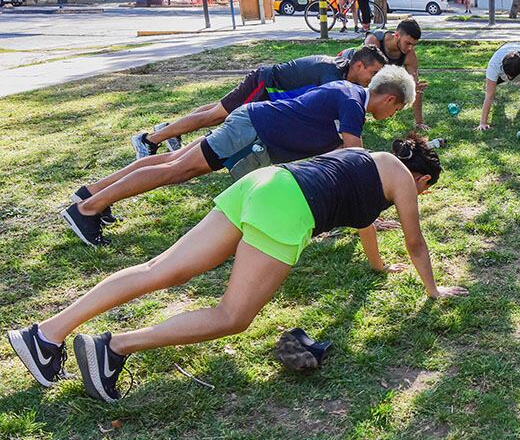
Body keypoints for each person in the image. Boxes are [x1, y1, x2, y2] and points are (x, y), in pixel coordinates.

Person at [10, 135, 467, 403]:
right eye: (424, 190)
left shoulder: (367, 159)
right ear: (422, 179)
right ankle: (113, 348)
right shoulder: (404, 180)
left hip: (263, 183)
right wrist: (432, 291)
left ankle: (46, 334)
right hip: (289, 206)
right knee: (234, 315)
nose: (419, 196)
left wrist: (378, 265)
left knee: (161, 268)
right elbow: (415, 241)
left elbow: (364, 221)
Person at [62, 66, 417, 247]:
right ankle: (87, 210)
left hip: (253, 127)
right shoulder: (353, 104)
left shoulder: (348, 92)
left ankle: (92, 193)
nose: (393, 115)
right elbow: (352, 165)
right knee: (177, 170)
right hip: (252, 132)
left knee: (173, 162)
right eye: (398, 110)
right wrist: (369, 213)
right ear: (389, 100)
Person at [129, 45, 388, 159]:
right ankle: (149, 141)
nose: (372, 80)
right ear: (358, 65)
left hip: (267, 91)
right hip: (265, 87)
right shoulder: (332, 76)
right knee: (217, 116)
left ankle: (168, 129)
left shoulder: (342, 69)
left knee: (216, 110)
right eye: (372, 73)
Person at [364, 19, 427, 130]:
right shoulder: (374, 41)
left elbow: (415, 89)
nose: (410, 48)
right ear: (397, 35)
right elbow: (365, 77)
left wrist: (419, 122)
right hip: (353, 70)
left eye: (413, 45)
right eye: (407, 43)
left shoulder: (409, 55)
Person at [477, 42, 520, 131]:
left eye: (512, 77)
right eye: (507, 76)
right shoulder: (495, 63)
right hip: (505, 50)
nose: (510, 79)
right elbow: (489, 95)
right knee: (490, 89)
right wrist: (483, 123)